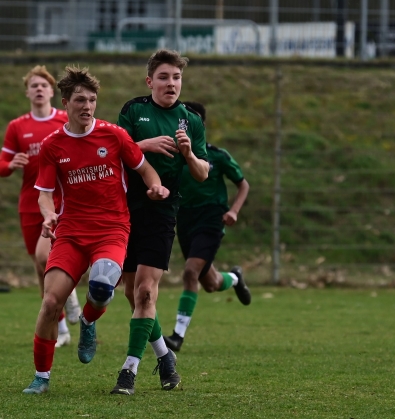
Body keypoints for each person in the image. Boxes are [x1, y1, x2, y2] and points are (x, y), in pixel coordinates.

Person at [22, 66, 168, 394]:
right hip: (71, 232)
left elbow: (146, 170)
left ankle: (88, 321)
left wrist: (156, 188)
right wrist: (48, 216)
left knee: (102, 286)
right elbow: (44, 193)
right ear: (66, 103)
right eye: (80, 100)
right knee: (50, 303)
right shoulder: (53, 144)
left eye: (92, 100)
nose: (87, 106)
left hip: (112, 229)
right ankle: (41, 377)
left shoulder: (114, 135)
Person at [110, 49, 209, 395]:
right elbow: (112, 153)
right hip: (126, 210)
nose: (171, 84)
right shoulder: (133, 110)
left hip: (163, 213)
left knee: (146, 292)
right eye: (164, 77)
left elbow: (201, 173)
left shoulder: (191, 119)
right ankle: (165, 357)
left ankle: (129, 372)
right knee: (131, 292)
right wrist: (144, 144)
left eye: (177, 77)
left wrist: (189, 154)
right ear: (150, 81)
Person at [1, 65, 81, 346]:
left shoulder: (63, 120)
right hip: (28, 204)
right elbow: (2, 165)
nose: (38, 89)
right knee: (39, 269)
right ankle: (61, 331)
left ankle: (71, 302)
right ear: (27, 92)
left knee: (45, 257)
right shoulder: (17, 126)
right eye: (33, 85)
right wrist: (10, 165)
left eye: (43, 85)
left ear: (51, 91)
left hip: (58, 200)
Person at [163, 101, 251, 353]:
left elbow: (243, 184)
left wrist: (233, 211)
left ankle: (177, 336)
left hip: (212, 219)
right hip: (185, 219)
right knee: (210, 282)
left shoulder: (217, 156)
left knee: (190, 272)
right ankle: (234, 278)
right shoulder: (172, 158)